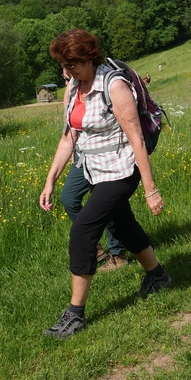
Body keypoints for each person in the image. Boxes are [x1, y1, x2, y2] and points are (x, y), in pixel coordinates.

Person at [40, 29, 170, 339]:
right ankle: (158, 276)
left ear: (88, 58)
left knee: (83, 230)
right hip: (93, 169)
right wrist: (50, 181)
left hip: (121, 171)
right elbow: (68, 136)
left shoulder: (114, 85)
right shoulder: (73, 88)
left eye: (71, 65)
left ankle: (75, 315)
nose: (66, 72)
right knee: (122, 224)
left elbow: (136, 138)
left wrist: (151, 189)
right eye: (63, 66)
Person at [60, 66, 129, 272]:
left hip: (106, 155)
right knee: (68, 198)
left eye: (69, 76)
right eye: (65, 78)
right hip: (82, 155)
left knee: (110, 207)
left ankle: (118, 254)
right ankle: (97, 248)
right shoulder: (72, 88)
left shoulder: (106, 84)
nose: (68, 81)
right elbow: (69, 125)